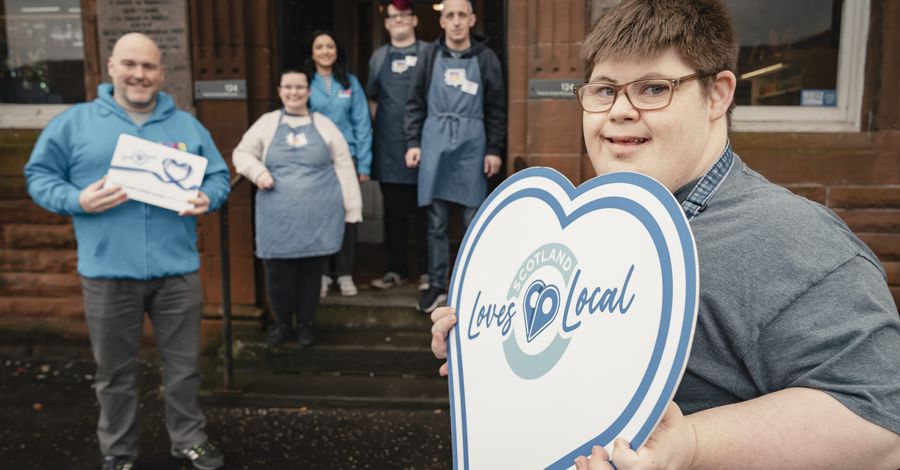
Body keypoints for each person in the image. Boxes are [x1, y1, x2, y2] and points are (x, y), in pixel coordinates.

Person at [430, 0, 900, 468]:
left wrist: (692, 444)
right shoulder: (583, 232)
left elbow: (880, 426)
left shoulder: (793, 239)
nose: (619, 111)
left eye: (653, 89)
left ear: (717, 95)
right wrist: (486, 351)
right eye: (604, 90)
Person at [24, 33, 230, 470]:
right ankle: (118, 450)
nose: (140, 74)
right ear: (111, 67)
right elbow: (39, 176)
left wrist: (208, 197)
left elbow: (217, 176)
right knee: (115, 372)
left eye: (149, 66)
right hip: (108, 272)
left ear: (162, 73)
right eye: (130, 64)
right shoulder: (74, 123)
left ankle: (188, 438)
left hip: (177, 271)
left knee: (184, 366)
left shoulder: (187, 126)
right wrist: (76, 199)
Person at [232, 69, 362, 347]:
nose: (294, 92)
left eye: (300, 87)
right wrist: (258, 173)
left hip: (318, 215)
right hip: (276, 216)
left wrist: (352, 209)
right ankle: (282, 323)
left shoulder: (325, 125)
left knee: (310, 274)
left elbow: (344, 166)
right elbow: (241, 153)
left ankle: (306, 324)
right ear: (280, 91)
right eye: (288, 87)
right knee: (278, 273)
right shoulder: (267, 123)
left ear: (308, 91)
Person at [404, 0, 506, 313]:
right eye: (451, 15)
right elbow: (414, 102)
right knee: (435, 222)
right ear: (443, 21)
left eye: (462, 15)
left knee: (472, 219)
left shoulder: (486, 58)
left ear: (472, 20)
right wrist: (412, 142)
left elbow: (497, 108)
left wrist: (494, 149)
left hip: (472, 143)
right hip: (434, 139)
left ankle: (472, 284)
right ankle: (437, 284)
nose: (457, 21)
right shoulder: (429, 55)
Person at [367, 0, 430, 292]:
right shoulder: (378, 58)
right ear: (387, 22)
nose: (400, 20)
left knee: (426, 213)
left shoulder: (429, 52)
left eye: (405, 15)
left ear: (414, 20)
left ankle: (428, 272)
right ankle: (396, 270)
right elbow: (373, 100)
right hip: (389, 147)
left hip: (424, 145)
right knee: (393, 213)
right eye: (394, 16)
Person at [305, 30, 372, 298]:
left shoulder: (350, 83)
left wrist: (364, 165)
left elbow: (363, 124)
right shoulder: (305, 83)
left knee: (348, 216)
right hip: (316, 161)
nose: (325, 51)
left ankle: (344, 274)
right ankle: (322, 274)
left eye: (330, 46)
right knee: (319, 217)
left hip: (347, 159)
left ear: (337, 51)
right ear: (312, 53)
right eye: (319, 47)